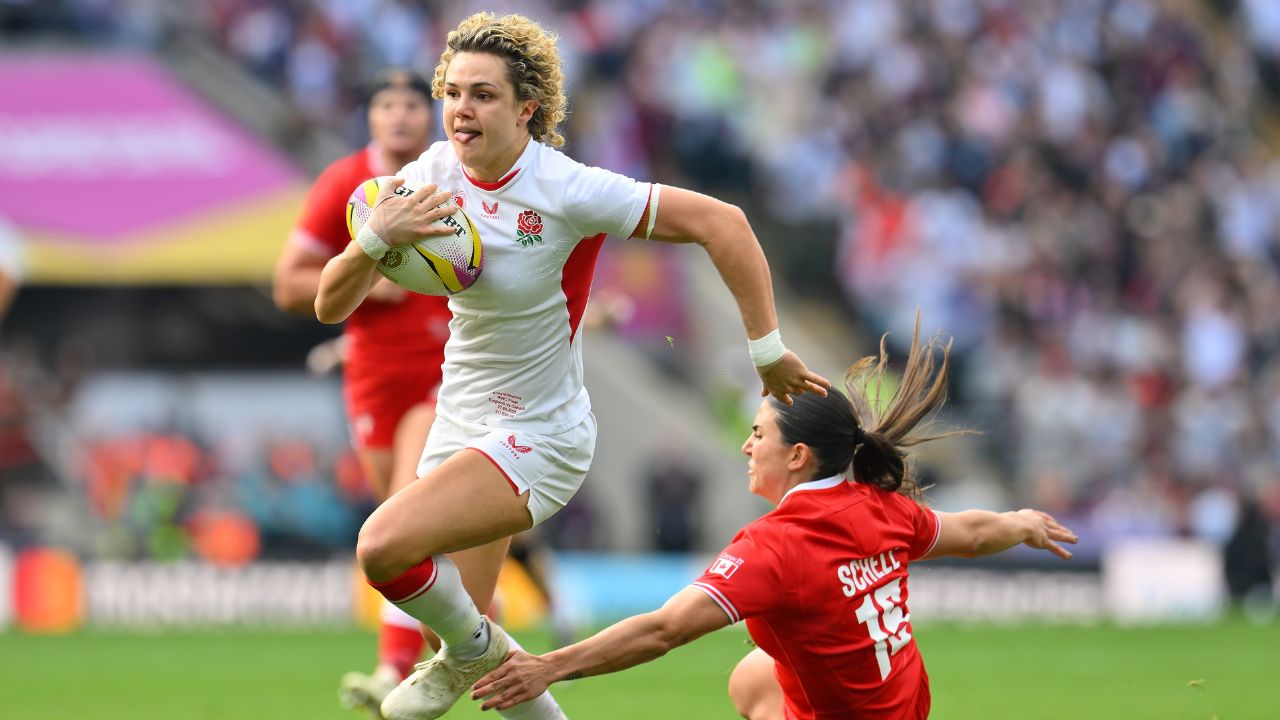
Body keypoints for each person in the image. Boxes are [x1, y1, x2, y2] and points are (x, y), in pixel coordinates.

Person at [314, 12, 830, 720]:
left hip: (540, 433)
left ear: (527, 108)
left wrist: (767, 351)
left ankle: (465, 650)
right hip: (460, 416)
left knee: (381, 549)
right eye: (454, 91)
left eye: (484, 94)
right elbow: (327, 304)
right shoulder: (427, 176)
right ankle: (469, 650)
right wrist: (374, 238)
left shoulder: (568, 189)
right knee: (478, 647)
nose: (462, 108)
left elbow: (724, 223)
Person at [471, 318, 1078, 719]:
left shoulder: (774, 548)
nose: (745, 446)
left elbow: (664, 630)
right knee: (754, 674)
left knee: (757, 674)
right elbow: (970, 534)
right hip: (904, 708)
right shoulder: (880, 505)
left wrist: (547, 666)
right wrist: (1022, 523)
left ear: (797, 456)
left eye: (757, 434)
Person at [272, 68, 451, 715]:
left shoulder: (450, 175)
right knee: (402, 531)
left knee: (405, 511)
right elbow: (290, 286)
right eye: (387, 104)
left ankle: (392, 670)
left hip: (446, 372)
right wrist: (369, 280)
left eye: (412, 104)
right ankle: (472, 641)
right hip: (373, 376)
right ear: (370, 117)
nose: (401, 115)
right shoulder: (344, 184)